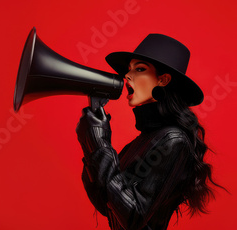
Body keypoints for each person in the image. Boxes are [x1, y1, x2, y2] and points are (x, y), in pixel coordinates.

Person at [76, 34, 225, 230]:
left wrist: (100, 145)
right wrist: (91, 147)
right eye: (129, 69)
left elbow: (134, 218)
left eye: (139, 69)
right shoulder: (145, 139)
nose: (127, 75)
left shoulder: (174, 140)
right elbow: (107, 203)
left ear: (163, 80)